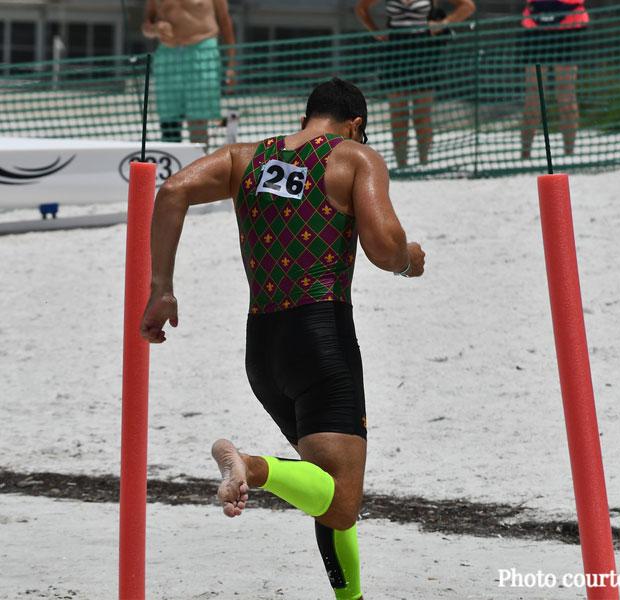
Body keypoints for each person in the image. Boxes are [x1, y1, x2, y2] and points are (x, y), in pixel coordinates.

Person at [140, 78, 426, 600]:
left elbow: (173, 190)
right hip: (320, 338)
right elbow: (385, 248)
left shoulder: (244, 158)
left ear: (306, 116)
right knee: (341, 500)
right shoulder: (354, 158)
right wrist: (411, 261)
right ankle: (250, 465)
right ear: (356, 124)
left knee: (322, 485)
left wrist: (162, 288)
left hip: (263, 349)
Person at [355, 0, 475, 169]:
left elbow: (468, 6)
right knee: (398, 115)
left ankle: (423, 163)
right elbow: (361, 8)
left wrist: (444, 23)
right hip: (395, 51)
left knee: (422, 115)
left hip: (423, 52)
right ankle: (401, 165)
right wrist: (375, 31)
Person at [141, 0, 236, 147]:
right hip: (168, 52)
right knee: (168, 118)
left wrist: (232, 64)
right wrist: (155, 29)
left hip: (202, 50)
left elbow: (225, 21)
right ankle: (172, 163)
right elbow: (146, 26)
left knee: (198, 119)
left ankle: (199, 164)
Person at [519, 0, 589, 158]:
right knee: (533, 97)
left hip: (569, 23)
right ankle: (524, 156)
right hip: (536, 23)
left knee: (566, 97)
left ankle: (569, 155)